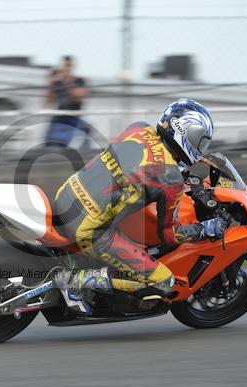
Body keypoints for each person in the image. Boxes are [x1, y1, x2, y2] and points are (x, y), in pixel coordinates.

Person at [52, 98, 225, 314]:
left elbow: (136, 162)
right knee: (163, 281)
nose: (201, 148)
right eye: (201, 141)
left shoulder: (139, 129)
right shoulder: (170, 179)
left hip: (66, 194)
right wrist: (204, 229)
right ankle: (74, 281)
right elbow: (169, 235)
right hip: (87, 230)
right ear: (188, 135)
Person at [45, 56, 90, 147]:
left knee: (84, 136)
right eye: (64, 66)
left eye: (68, 66)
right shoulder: (58, 83)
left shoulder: (79, 81)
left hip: (74, 117)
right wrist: (50, 84)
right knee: (50, 140)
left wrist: (67, 81)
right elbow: (49, 102)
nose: (66, 68)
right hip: (60, 117)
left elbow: (79, 96)